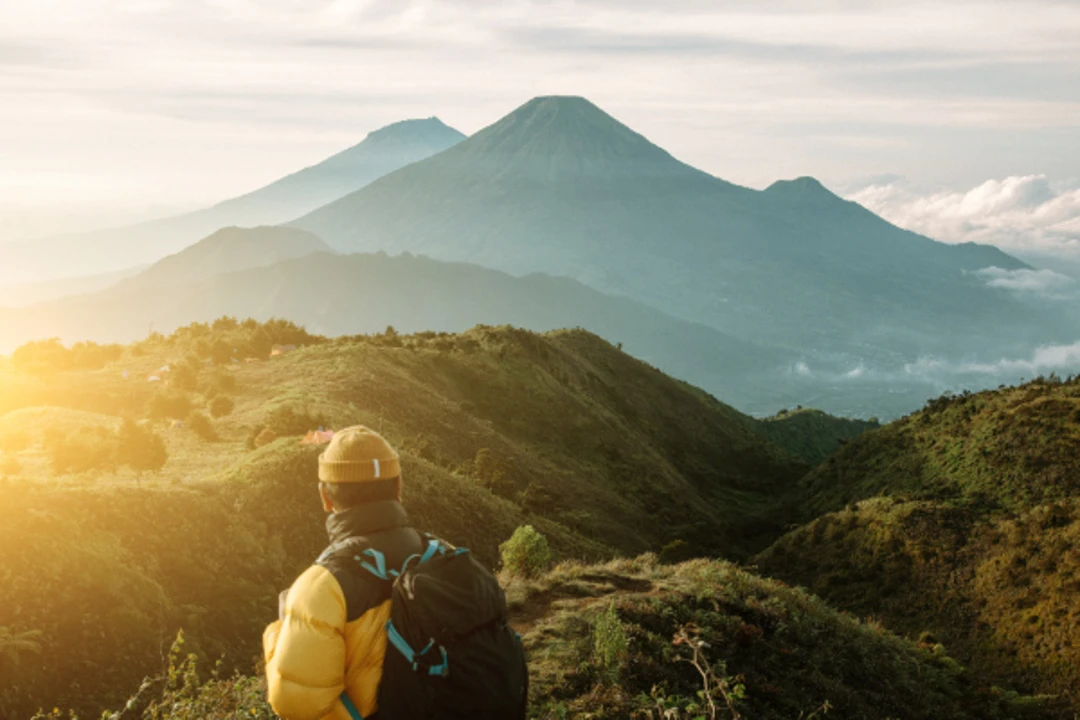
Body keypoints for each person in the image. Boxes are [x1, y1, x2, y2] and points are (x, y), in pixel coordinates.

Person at [263, 425, 527, 720]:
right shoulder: (444, 553)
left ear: (325, 496)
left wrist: (281, 628)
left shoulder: (320, 586)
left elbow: (295, 704)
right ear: (398, 487)